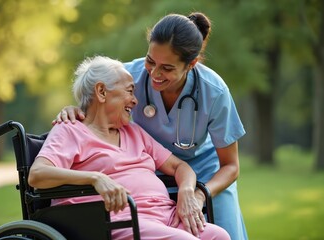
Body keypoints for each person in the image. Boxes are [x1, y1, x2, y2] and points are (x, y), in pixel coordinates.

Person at [54, 12, 248, 240]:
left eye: (166, 68)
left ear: (191, 64)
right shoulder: (129, 76)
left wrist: (197, 194)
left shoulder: (214, 91)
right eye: (150, 61)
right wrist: (74, 109)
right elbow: (96, 103)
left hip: (205, 173)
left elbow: (231, 166)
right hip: (151, 173)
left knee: (226, 233)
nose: (155, 73)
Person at [29, 56, 230, 239]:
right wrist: (95, 178)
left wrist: (186, 190)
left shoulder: (133, 131)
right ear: (101, 92)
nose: (135, 101)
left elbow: (179, 167)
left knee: (219, 236)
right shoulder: (70, 130)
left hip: (166, 216)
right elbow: (37, 175)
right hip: (118, 221)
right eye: (129, 91)